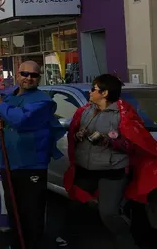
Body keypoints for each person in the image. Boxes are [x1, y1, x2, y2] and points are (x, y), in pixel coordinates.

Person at [62, 74, 157, 249]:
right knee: (75, 203)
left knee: (108, 213)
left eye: (94, 89)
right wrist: (78, 135)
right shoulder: (84, 111)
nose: (90, 92)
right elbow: (73, 136)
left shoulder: (123, 114)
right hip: (86, 169)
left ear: (104, 93)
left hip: (112, 171)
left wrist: (109, 142)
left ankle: (128, 242)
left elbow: (133, 144)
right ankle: (69, 238)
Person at [0, 61, 63, 249]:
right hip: (8, 164)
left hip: (31, 165)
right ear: (17, 73)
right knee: (14, 211)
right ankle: (17, 245)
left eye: (34, 75)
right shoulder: (9, 97)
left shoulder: (43, 101)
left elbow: (20, 120)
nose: (28, 78)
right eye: (24, 73)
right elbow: (1, 125)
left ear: (39, 78)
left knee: (32, 213)